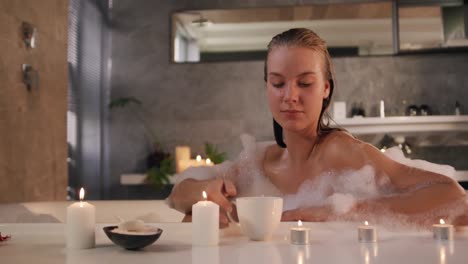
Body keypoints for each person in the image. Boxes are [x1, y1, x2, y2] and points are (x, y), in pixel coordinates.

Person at [167, 28, 467, 229]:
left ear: (325, 89)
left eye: (305, 83)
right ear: (267, 87)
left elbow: (454, 196)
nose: (290, 95)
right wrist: (205, 192)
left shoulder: (342, 152)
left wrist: (343, 212)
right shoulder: (257, 162)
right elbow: (179, 195)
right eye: (278, 83)